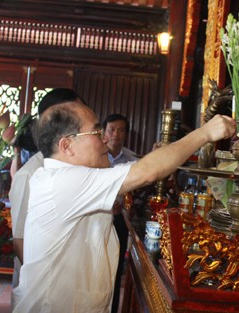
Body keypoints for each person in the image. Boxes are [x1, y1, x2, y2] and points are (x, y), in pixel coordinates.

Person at [11, 101, 236, 312]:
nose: (106, 140)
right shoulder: (61, 182)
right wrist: (205, 132)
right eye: (97, 133)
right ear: (66, 145)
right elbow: (147, 172)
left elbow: (140, 168)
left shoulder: (70, 177)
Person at [8, 88, 85, 291]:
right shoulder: (29, 175)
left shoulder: (75, 168)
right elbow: (20, 241)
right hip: (40, 288)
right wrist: (44, 286)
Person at [102, 113, 138, 313]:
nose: (116, 134)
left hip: (119, 221)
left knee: (115, 270)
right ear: (104, 132)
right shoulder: (94, 157)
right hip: (96, 219)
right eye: (111, 129)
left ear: (126, 133)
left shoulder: (132, 159)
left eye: (121, 130)